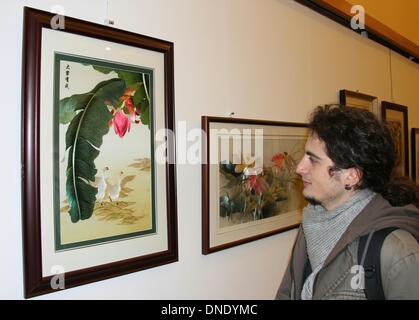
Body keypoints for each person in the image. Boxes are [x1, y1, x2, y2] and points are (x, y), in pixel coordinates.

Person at [276, 105, 419, 300]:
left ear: (351, 176)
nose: (300, 167)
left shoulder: (397, 251)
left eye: (313, 160)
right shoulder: (312, 225)